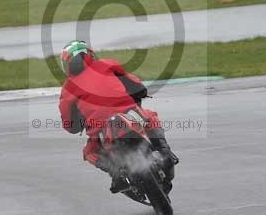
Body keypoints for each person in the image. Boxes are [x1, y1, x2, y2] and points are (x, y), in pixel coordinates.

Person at [58, 40, 178, 193]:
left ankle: (115, 173)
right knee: (150, 117)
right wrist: (139, 94)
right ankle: (164, 151)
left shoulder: (68, 87)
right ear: (89, 54)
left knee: (89, 153)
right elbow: (137, 85)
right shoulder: (106, 64)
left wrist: (80, 121)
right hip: (127, 113)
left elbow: (69, 125)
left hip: (101, 127)